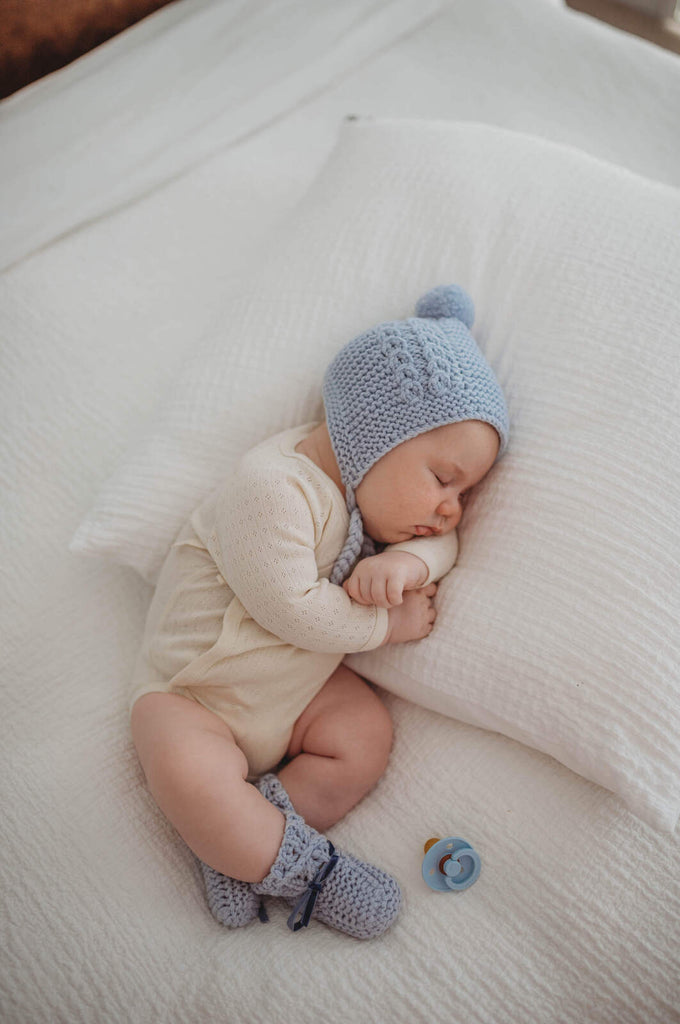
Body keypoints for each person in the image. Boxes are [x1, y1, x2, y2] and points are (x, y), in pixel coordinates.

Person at [129, 284, 509, 940]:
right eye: (444, 479)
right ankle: (305, 871)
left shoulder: (374, 504)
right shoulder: (270, 486)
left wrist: (410, 564)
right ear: (376, 434)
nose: (451, 509)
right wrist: (385, 625)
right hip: (195, 696)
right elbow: (290, 610)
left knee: (362, 736)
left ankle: (249, 838)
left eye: (465, 493)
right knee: (185, 769)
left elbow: (443, 542)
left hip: (297, 691)